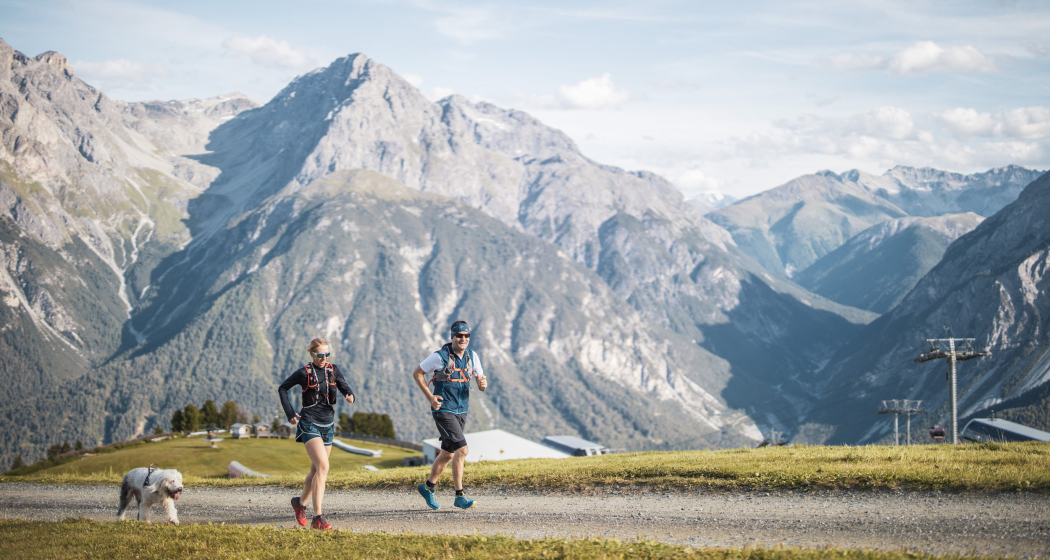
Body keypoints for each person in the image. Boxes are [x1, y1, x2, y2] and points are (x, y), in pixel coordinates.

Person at [278, 338, 355, 529]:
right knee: (323, 467)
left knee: (315, 470)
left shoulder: (333, 369)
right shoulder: (304, 373)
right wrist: (290, 413)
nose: (324, 358)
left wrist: (349, 394)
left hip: (328, 425)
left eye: (327, 354)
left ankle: (299, 503)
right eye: (320, 355)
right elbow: (283, 388)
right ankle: (318, 517)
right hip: (309, 424)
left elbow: (344, 384)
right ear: (312, 354)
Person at [411, 320, 488, 510]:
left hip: (462, 410)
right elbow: (417, 373)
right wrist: (430, 397)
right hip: (443, 409)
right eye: (459, 336)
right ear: (452, 337)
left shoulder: (473, 356)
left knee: (447, 453)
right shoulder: (440, 356)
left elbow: (480, 379)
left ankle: (427, 488)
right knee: (462, 450)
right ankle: (459, 495)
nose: (463, 339)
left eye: (466, 336)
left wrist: (482, 384)